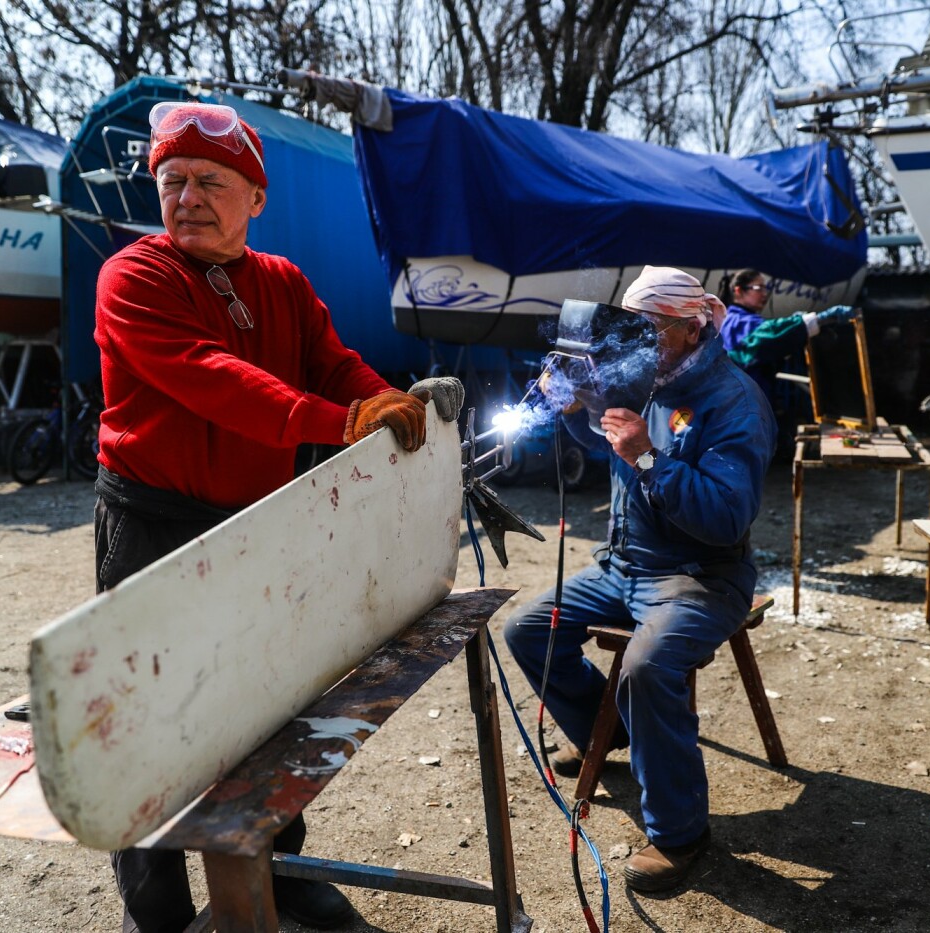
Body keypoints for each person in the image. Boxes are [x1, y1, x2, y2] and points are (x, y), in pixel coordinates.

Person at [93, 100, 461, 933]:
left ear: (255, 197)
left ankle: (281, 871)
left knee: (264, 702)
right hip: (153, 524)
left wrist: (388, 400)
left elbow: (333, 366)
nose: (187, 196)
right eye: (172, 180)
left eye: (210, 182)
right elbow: (211, 375)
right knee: (151, 722)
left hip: (257, 522)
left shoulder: (283, 282)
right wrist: (338, 422)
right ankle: (154, 908)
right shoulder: (135, 277)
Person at [503, 266, 777, 893]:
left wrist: (646, 457)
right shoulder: (643, 374)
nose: (634, 340)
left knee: (647, 667)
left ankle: (680, 835)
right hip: (623, 563)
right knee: (527, 627)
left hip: (698, 575)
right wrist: (575, 407)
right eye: (632, 326)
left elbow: (725, 515)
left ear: (688, 327)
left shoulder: (732, 401)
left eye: (648, 327)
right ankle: (613, 734)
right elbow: (603, 437)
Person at [717, 267, 856, 404]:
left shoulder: (727, 319)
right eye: (759, 288)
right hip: (745, 404)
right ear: (738, 291)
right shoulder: (739, 322)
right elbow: (767, 335)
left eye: (766, 289)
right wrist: (816, 320)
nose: (765, 294)